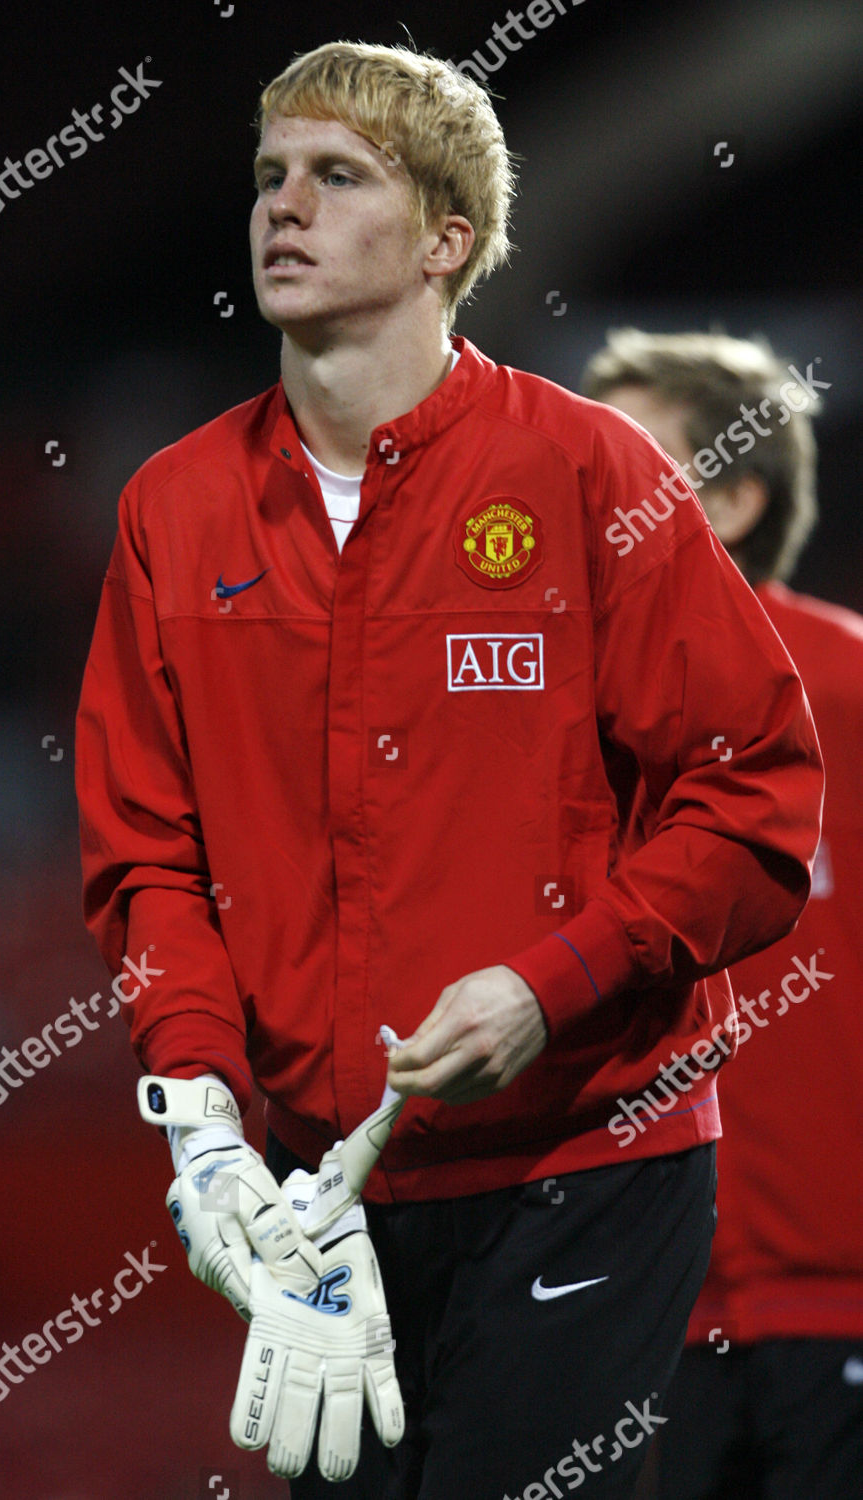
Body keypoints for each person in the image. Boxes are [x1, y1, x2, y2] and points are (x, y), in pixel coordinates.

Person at [75, 43, 824, 1500]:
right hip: (319, 1194)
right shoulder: (172, 507)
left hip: (589, 1172)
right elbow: (144, 852)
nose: (281, 208)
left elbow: (752, 801)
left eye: (335, 178)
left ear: (442, 243)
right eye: (267, 177)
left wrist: (548, 985)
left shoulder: (592, 476)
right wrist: (206, 1122)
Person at [584, 327, 863, 1500]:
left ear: (737, 495)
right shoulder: (534, 711)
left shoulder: (847, 692)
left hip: (840, 1306)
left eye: (627, 467)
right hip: (633, 1316)